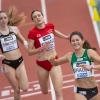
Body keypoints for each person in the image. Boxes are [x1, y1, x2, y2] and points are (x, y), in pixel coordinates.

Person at [27, 10, 69, 100]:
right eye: (35, 17)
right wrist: (41, 48)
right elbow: (29, 52)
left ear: (43, 16)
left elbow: (54, 32)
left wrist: (66, 37)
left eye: (39, 15)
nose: (37, 17)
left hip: (54, 61)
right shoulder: (32, 33)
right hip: (42, 64)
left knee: (58, 92)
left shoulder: (50, 26)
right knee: (44, 91)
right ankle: (45, 85)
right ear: (33, 20)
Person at [50, 31, 100, 100]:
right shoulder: (69, 56)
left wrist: (92, 67)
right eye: (73, 41)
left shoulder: (89, 52)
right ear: (70, 43)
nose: (75, 42)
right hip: (80, 90)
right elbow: (55, 63)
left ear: (82, 41)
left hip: (93, 90)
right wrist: (52, 60)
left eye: (77, 40)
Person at [0, 9, 28, 100]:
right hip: (7, 63)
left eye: (5, 18)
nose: (3, 20)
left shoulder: (14, 29)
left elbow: (23, 40)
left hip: (19, 61)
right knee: (16, 90)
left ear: (8, 19)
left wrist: (26, 43)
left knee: (25, 88)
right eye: (0, 18)